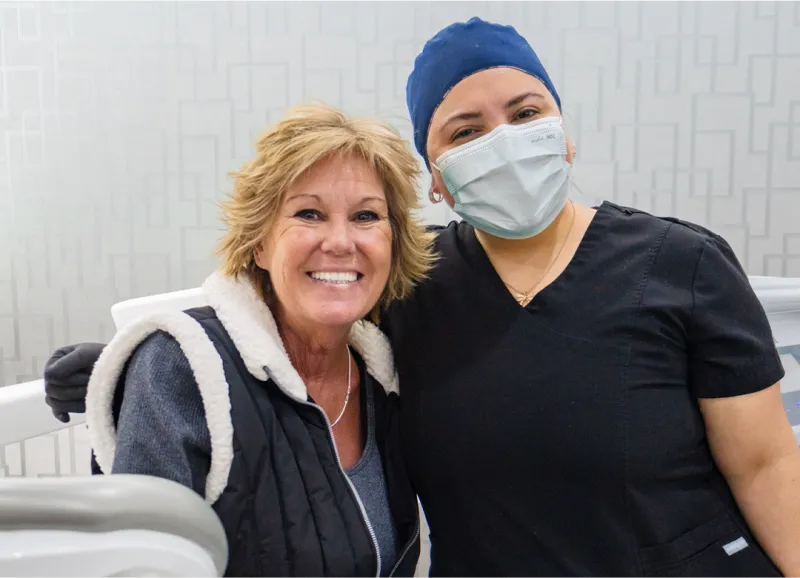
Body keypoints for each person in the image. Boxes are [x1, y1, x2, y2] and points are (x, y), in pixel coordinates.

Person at [43, 17, 800, 578]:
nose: (501, 140)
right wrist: (140, 349)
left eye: (526, 113)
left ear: (563, 132)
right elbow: (287, 296)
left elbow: (766, 463)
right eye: (464, 131)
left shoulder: (684, 265)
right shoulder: (414, 279)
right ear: (436, 178)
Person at [47, 103, 434, 578]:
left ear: (392, 244)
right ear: (259, 244)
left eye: (366, 216)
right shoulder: (181, 369)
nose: (339, 241)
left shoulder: (385, 380)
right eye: (308, 214)